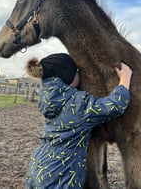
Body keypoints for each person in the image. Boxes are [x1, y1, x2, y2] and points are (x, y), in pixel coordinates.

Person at [24, 53, 132, 189]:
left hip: (38, 165)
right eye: (77, 71)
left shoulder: (47, 99)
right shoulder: (77, 103)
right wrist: (125, 79)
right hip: (60, 172)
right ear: (69, 76)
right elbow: (114, 105)